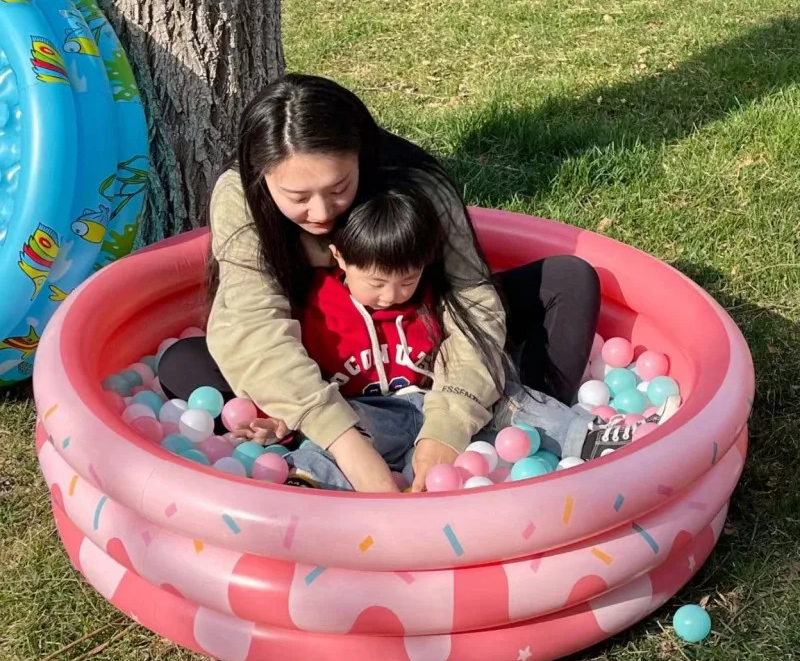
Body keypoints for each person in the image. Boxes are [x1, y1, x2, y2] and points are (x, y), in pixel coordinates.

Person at [158, 73, 603, 494]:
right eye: (297, 198)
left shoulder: (414, 186)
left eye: (339, 188)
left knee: (567, 279)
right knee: (185, 364)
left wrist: (449, 425)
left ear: (362, 158)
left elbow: (473, 300)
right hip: (327, 366)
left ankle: (522, 429)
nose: (320, 213)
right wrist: (346, 444)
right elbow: (252, 324)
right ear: (263, 181)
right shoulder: (241, 197)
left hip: (420, 352)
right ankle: (309, 445)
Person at [229, 173, 677, 491]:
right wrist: (285, 422)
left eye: (406, 281)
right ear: (339, 260)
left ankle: (592, 438)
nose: (391, 296)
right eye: (377, 283)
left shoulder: (432, 300)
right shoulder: (317, 308)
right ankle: (305, 483)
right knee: (341, 432)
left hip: (442, 406)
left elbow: (465, 362)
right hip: (368, 415)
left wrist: (458, 410)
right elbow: (293, 373)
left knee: (509, 395)